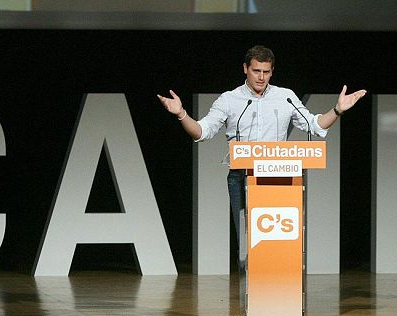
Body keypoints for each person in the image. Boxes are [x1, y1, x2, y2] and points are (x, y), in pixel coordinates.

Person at [157, 45, 366, 254]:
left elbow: (315, 125)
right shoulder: (229, 99)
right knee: (248, 244)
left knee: (278, 242)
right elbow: (202, 132)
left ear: (272, 71)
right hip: (241, 177)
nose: (261, 77)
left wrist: (337, 110)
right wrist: (181, 114)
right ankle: (248, 275)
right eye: (256, 71)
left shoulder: (285, 97)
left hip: (279, 177)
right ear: (245, 68)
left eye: (266, 72)